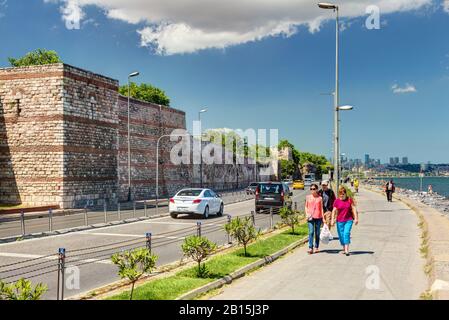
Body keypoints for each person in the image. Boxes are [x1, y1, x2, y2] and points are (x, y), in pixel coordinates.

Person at [331, 186, 359, 256]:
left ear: (345, 194)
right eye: (340, 194)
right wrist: (332, 220)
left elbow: (354, 209)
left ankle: (346, 250)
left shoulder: (349, 200)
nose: (341, 195)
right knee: (341, 236)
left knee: (346, 233)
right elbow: (334, 211)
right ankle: (344, 247)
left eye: (343, 194)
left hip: (348, 220)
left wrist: (356, 218)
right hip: (339, 221)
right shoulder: (337, 201)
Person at [305, 183, 324, 254]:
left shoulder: (320, 198)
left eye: (314, 189)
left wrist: (323, 218)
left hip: (318, 217)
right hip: (310, 217)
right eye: (311, 189)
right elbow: (306, 206)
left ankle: (316, 247)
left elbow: (321, 208)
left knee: (317, 233)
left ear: (317, 189)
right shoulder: (308, 197)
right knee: (311, 232)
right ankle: (310, 247)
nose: (312, 190)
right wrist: (307, 214)